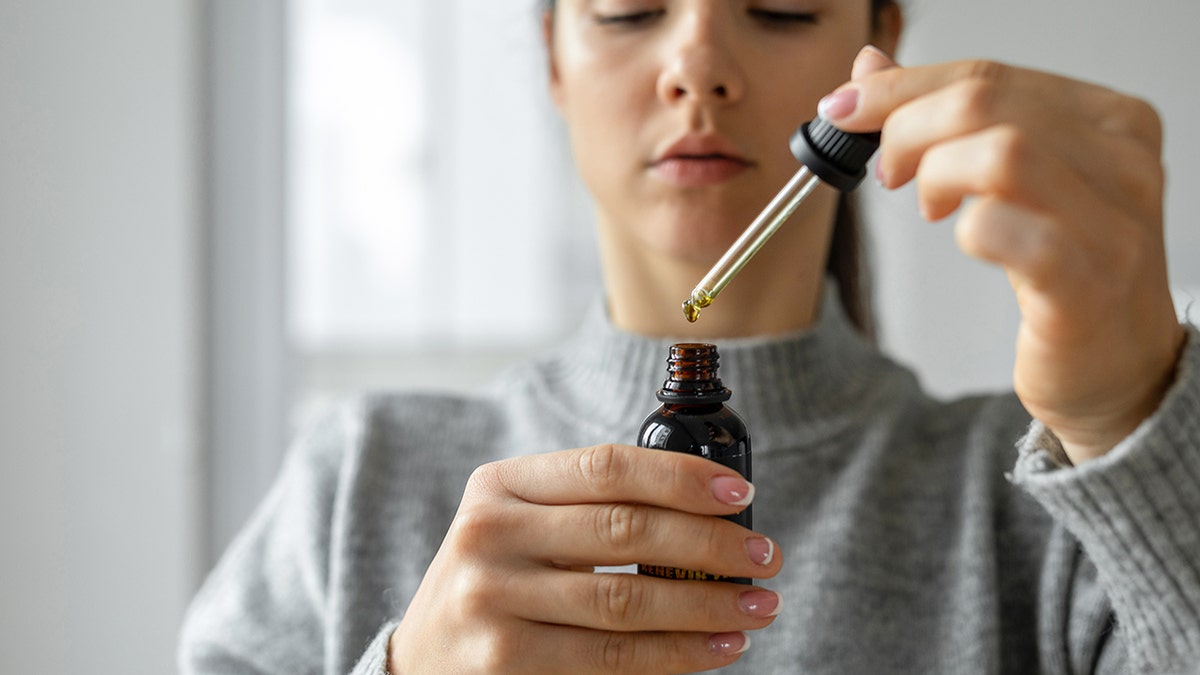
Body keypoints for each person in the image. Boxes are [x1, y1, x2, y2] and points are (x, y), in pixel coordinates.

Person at [179, 1, 1200, 673]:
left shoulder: (1049, 505)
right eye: (629, 7)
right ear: (552, 57)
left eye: (780, 4)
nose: (699, 68)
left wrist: (1134, 419)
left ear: (878, 42)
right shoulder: (360, 479)